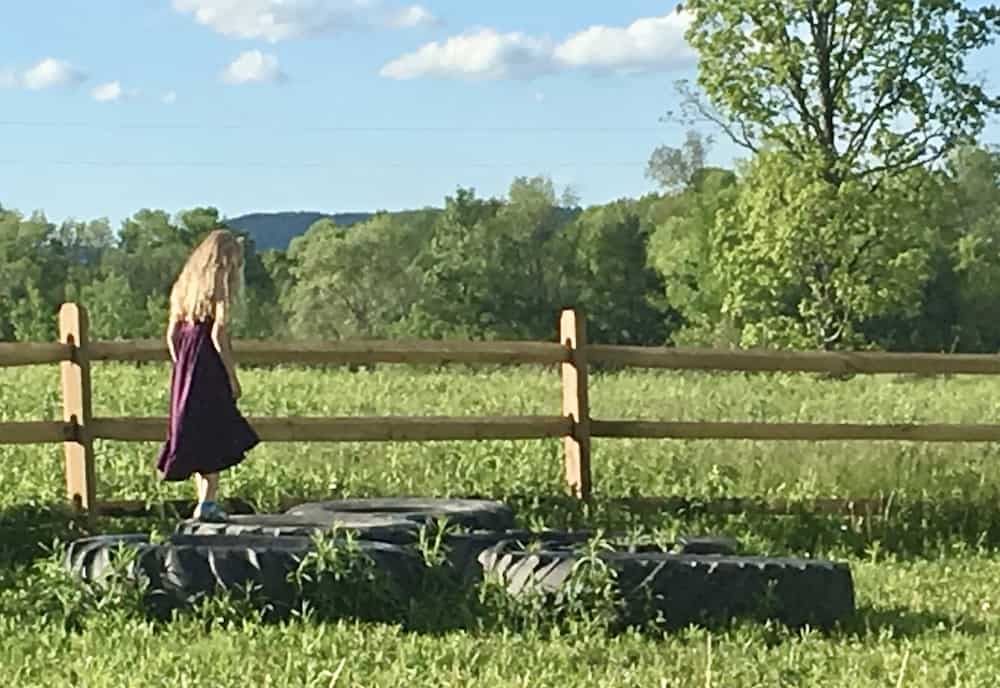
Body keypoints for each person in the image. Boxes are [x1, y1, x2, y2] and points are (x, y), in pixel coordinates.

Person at [155, 229, 259, 522]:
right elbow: (218, 332)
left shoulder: (183, 287)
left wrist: (181, 366)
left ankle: (204, 500)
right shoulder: (218, 287)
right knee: (214, 429)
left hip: (186, 362)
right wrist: (231, 374)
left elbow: (172, 334)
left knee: (193, 427)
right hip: (208, 362)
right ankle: (209, 502)